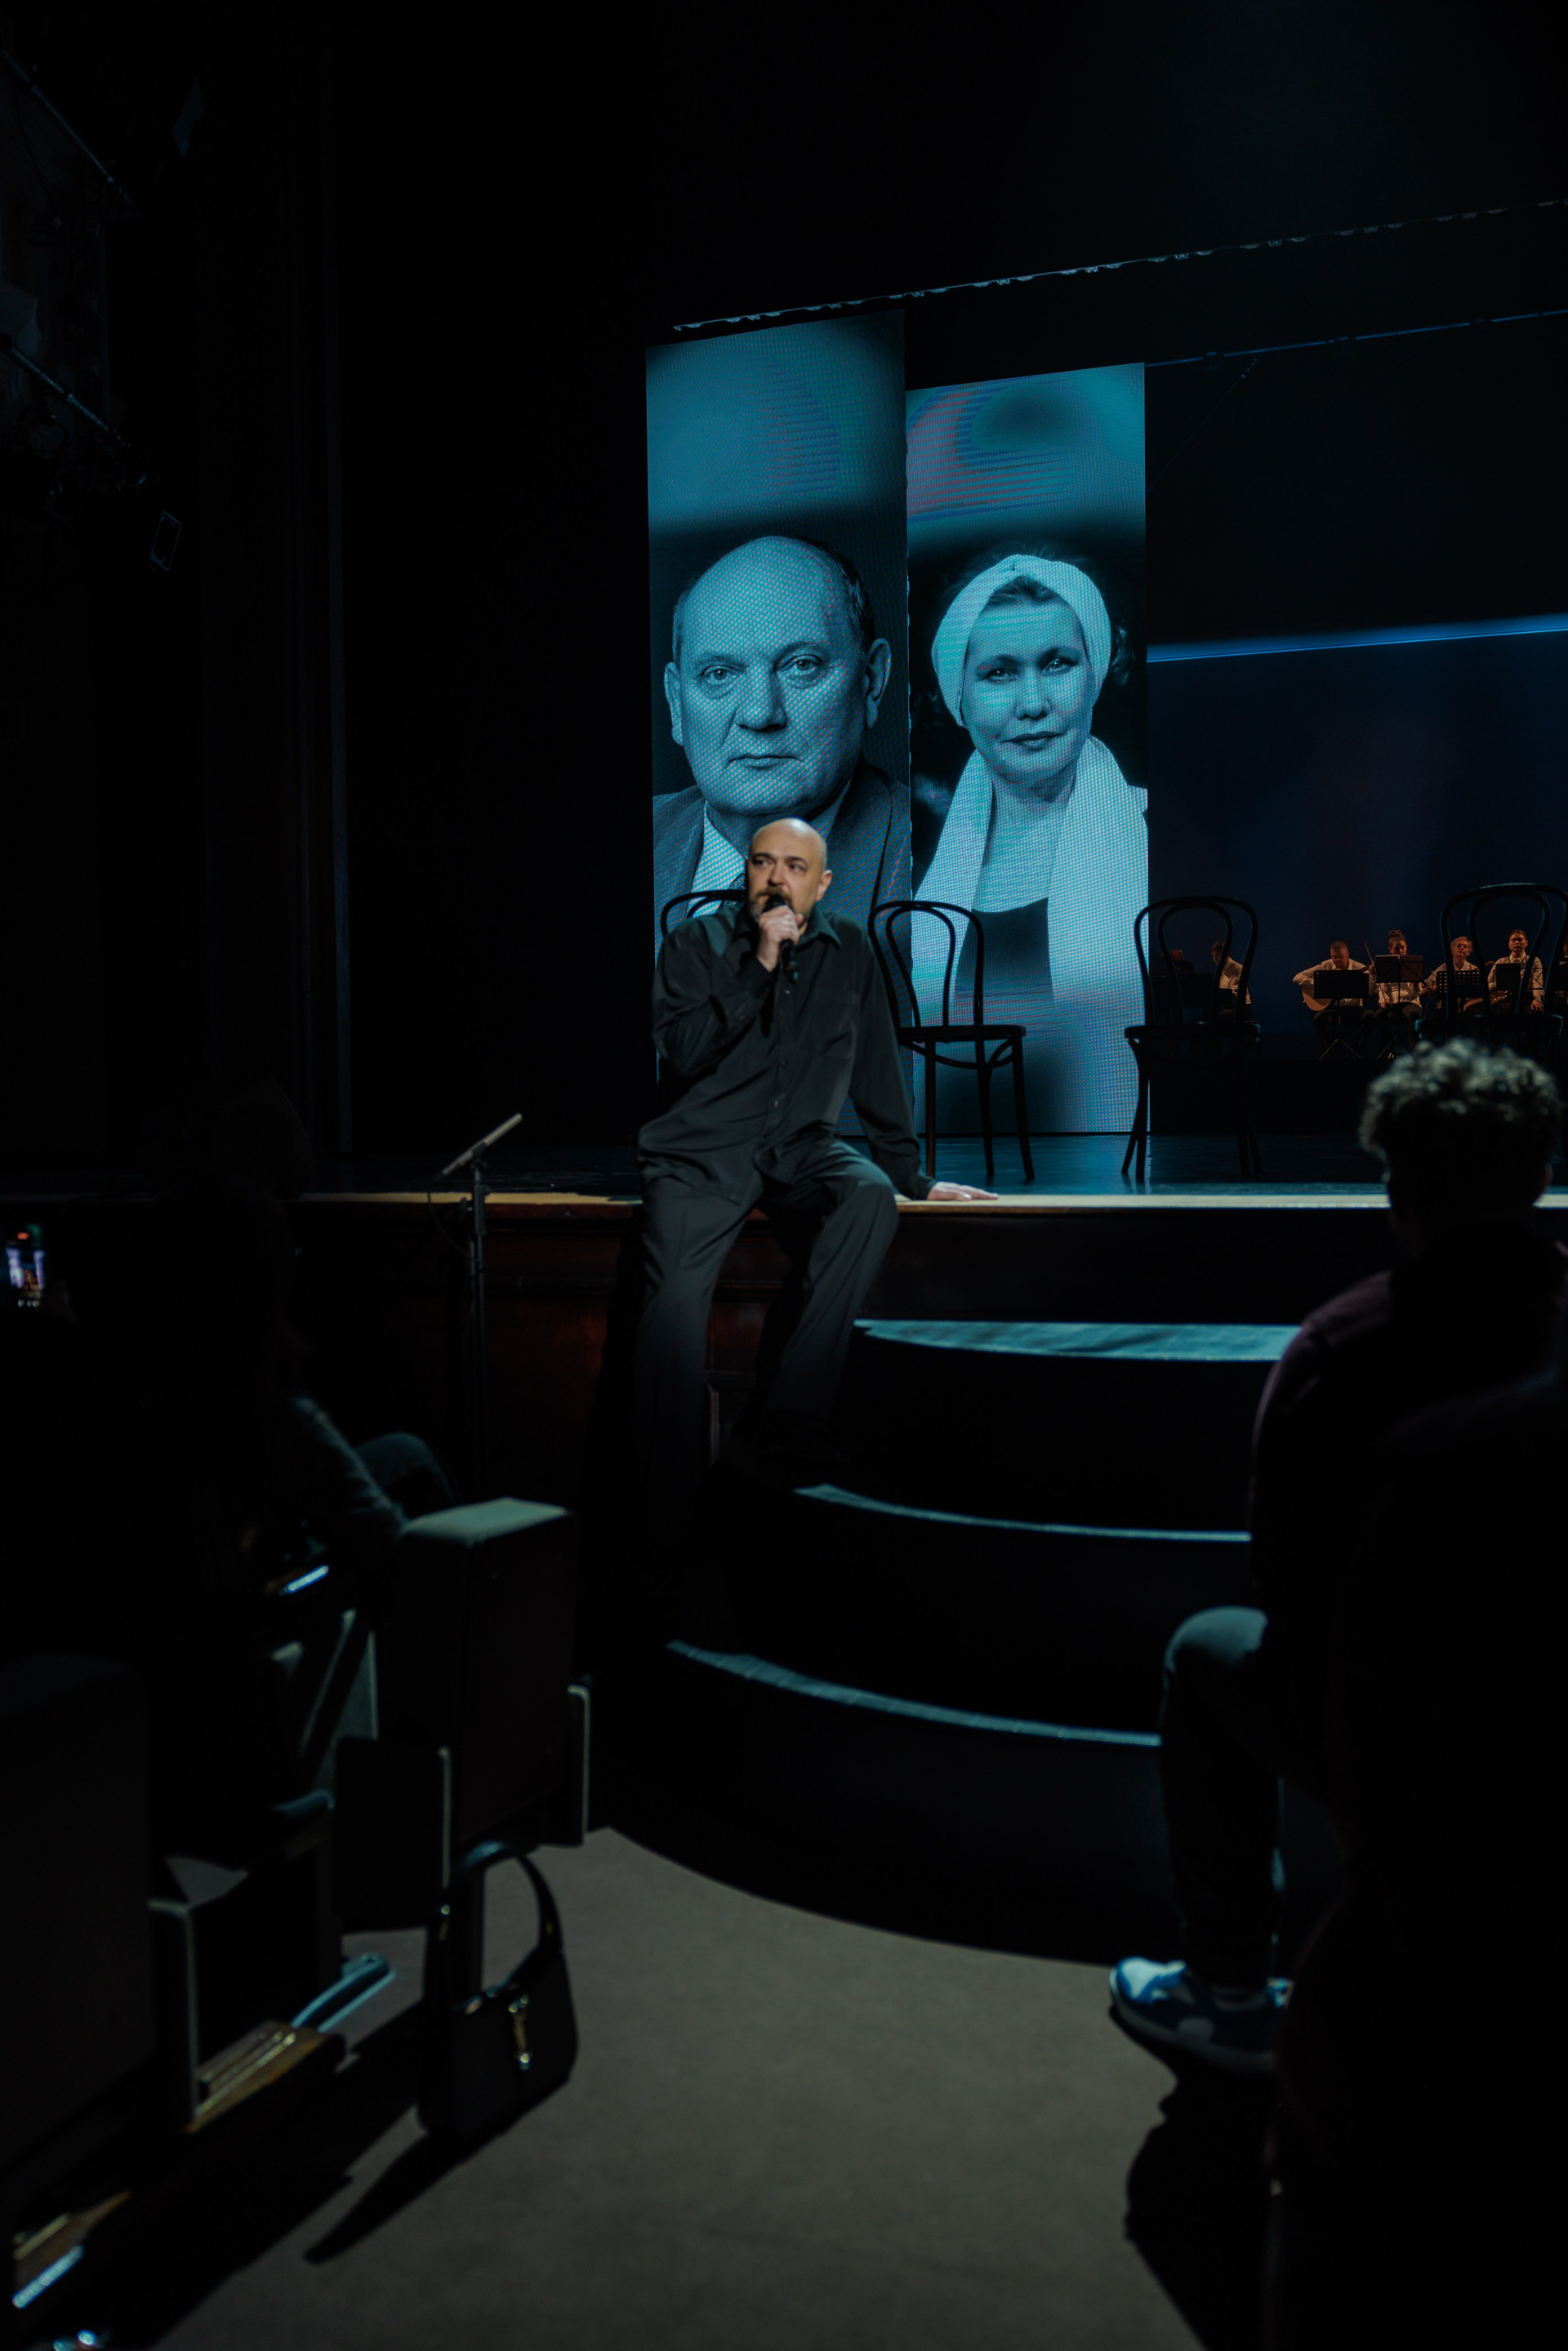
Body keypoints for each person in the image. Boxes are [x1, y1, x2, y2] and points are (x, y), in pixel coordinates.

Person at [1108, 1038, 1564, 2073]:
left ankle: (1225, 1983)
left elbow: (1287, 1584)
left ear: (1395, 1187)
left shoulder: (1336, 1349)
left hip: (1402, 1731)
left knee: (1206, 1649)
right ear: (1542, 1174)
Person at [634, 817, 993, 1507]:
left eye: (794, 867)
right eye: (763, 862)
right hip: (701, 1153)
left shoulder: (849, 948)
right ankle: (663, 1480)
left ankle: (791, 1418)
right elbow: (683, 1051)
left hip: (799, 1146)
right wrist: (760, 965)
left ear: (822, 883)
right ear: (746, 870)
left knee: (867, 1195)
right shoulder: (695, 943)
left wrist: (909, 1175)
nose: (776, 878)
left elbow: (877, 1065)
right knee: (672, 1302)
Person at [913, 548, 1147, 1133]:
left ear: (1095, 673)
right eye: (999, 673)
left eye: (1057, 664)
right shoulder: (914, 871)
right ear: (958, 695)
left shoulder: (1154, 835)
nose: (1034, 704)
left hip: (1112, 1173)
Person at [653, 536, 908, 945]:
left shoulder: (935, 863)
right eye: (719, 674)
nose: (760, 715)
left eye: (801, 666)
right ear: (676, 704)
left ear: (872, 681)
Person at [1292, 941, 1369, 1052]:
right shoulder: (1326, 966)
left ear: (1348, 954)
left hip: (1354, 1010)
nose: (1337, 960)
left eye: (1340, 957)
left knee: (1370, 1017)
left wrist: (1372, 975)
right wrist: (1319, 984)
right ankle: (1331, 1053)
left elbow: (1371, 991)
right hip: (1333, 1010)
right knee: (1318, 1018)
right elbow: (1297, 978)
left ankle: (1354, 1052)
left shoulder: (1359, 968)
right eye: (1334, 957)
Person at [1371, 926, 1422, 1053]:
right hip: (1392, 1005)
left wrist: (1416, 986)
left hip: (1410, 1003)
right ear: (1390, 950)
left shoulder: (1412, 964)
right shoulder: (1385, 965)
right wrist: (1383, 1001)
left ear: (1406, 947)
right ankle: (1388, 1049)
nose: (1400, 951)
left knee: (1414, 1014)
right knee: (1379, 1015)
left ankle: (1414, 1050)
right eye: (1396, 949)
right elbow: (1382, 989)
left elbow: (1416, 994)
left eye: (1402, 947)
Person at [1419, 932, 1485, 1014]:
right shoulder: (1444, 968)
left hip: (1467, 1006)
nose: (1462, 948)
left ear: (1468, 952)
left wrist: (1466, 1005)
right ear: (1452, 950)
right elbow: (1427, 987)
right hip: (1446, 1005)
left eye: (1465, 947)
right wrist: (1440, 986)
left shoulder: (1474, 969)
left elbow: (1483, 993)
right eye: (1459, 946)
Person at [1487, 925, 1544, 1010]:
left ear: (1526, 943)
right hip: (1505, 1000)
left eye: (1520, 940)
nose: (1517, 942)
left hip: (1527, 998)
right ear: (1509, 944)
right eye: (1513, 940)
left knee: (1536, 1009)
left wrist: (1537, 1000)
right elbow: (1487, 984)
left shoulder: (1534, 961)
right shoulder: (1501, 962)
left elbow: (1537, 983)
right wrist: (1500, 984)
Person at [1209, 938, 1250, 1014]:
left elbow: (1237, 995)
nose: (1214, 959)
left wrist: (1218, 996)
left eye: (1217, 955)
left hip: (1241, 1008)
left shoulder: (1238, 969)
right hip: (1228, 1006)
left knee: (1214, 1018)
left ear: (1226, 953)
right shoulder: (1221, 970)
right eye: (1213, 956)